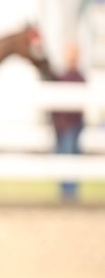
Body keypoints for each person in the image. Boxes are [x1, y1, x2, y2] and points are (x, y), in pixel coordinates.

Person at [49, 42, 86, 202]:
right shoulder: (62, 77)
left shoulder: (78, 77)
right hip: (61, 126)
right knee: (62, 155)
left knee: (69, 154)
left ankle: (70, 193)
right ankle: (65, 191)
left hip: (71, 125)